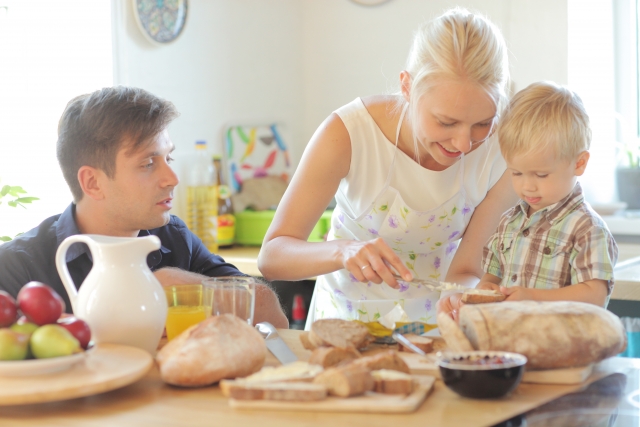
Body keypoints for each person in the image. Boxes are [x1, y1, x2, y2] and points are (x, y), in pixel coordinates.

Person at [258, 8, 518, 328]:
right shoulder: (349, 133)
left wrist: (474, 296)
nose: (464, 144)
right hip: (344, 325)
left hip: (439, 329)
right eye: (446, 122)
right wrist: (342, 251)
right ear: (407, 87)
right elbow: (272, 257)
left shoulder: (504, 153)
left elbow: (466, 272)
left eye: (482, 123)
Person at [0, 86, 288, 328]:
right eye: (148, 164)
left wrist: (189, 288)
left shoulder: (173, 237)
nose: (173, 179)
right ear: (93, 182)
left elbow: (273, 319)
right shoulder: (17, 266)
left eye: (168, 158)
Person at [442, 81, 617, 319]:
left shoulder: (588, 229)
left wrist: (533, 298)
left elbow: (594, 296)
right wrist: (485, 291)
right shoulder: (508, 222)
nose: (527, 186)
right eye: (516, 172)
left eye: (541, 174)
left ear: (579, 163)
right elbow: (490, 277)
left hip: (565, 351)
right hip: (510, 345)